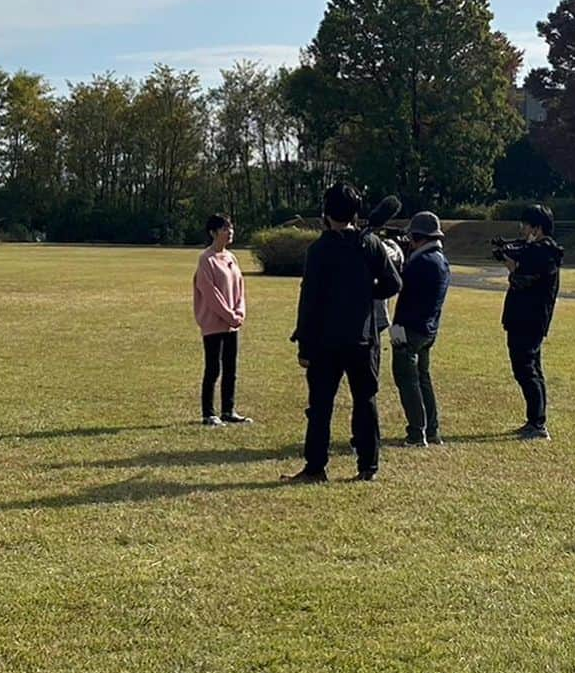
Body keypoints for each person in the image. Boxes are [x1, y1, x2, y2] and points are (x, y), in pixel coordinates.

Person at [281, 182, 402, 484]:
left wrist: (304, 347)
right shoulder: (370, 244)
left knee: (320, 406)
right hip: (363, 337)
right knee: (365, 401)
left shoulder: (319, 250)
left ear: (325, 212)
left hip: (325, 341)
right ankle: (367, 465)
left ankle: (315, 467)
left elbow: (309, 301)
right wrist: (366, 291)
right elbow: (393, 284)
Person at [499, 203, 563, 441]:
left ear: (537, 227)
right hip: (528, 318)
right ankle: (535, 419)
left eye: (526, 224)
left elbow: (523, 281)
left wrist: (512, 267)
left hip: (529, 318)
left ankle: (538, 423)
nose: (522, 228)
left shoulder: (543, 252)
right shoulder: (539, 251)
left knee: (525, 368)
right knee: (531, 367)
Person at [389, 211, 451, 447]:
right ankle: (432, 429)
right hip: (428, 329)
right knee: (423, 378)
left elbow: (397, 284)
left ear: (418, 237)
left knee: (407, 378)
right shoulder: (440, 261)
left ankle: (417, 432)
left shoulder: (421, 263)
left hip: (409, 329)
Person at [193, 214, 251, 427]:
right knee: (213, 368)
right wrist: (229, 315)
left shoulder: (231, 257)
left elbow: (240, 289)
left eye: (231, 227)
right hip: (214, 323)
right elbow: (210, 294)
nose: (230, 231)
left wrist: (239, 313)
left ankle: (228, 410)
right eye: (225, 228)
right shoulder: (206, 259)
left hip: (232, 324)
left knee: (230, 368)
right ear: (213, 233)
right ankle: (208, 413)